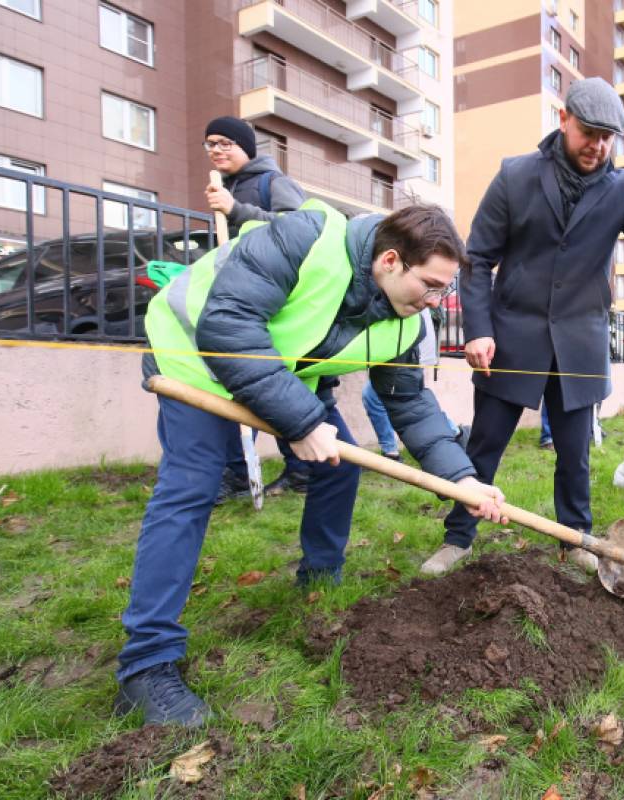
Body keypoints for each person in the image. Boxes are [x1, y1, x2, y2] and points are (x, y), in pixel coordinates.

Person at [115, 202, 506, 727]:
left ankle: (318, 582)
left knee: (339, 467)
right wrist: (301, 423)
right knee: (191, 487)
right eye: (431, 285)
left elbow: (410, 406)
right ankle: (146, 664)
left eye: (444, 290)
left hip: (280, 378)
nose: (436, 300)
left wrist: (462, 479)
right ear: (391, 260)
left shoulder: (404, 322)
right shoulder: (307, 238)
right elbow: (227, 325)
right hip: (193, 361)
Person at [420, 77, 624, 577]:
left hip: (579, 344)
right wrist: (479, 329)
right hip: (511, 340)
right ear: (564, 120)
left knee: (574, 457)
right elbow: (478, 258)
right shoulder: (516, 176)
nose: (597, 145)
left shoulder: (620, 189)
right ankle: (458, 537)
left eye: (608, 137)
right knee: (484, 446)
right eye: (589, 132)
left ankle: (576, 539)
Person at [201, 116, 312, 501]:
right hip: (237, 301)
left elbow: (299, 229)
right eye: (210, 144)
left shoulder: (272, 183)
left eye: (224, 143)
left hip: (275, 304)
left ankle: (301, 472)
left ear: (246, 146)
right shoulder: (223, 188)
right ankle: (237, 474)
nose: (215, 149)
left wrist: (236, 210)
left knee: (278, 384)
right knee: (228, 385)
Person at [362, 307, 469, 461]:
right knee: (378, 395)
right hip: (401, 344)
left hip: (411, 345)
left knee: (384, 396)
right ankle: (456, 434)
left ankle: (390, 452)